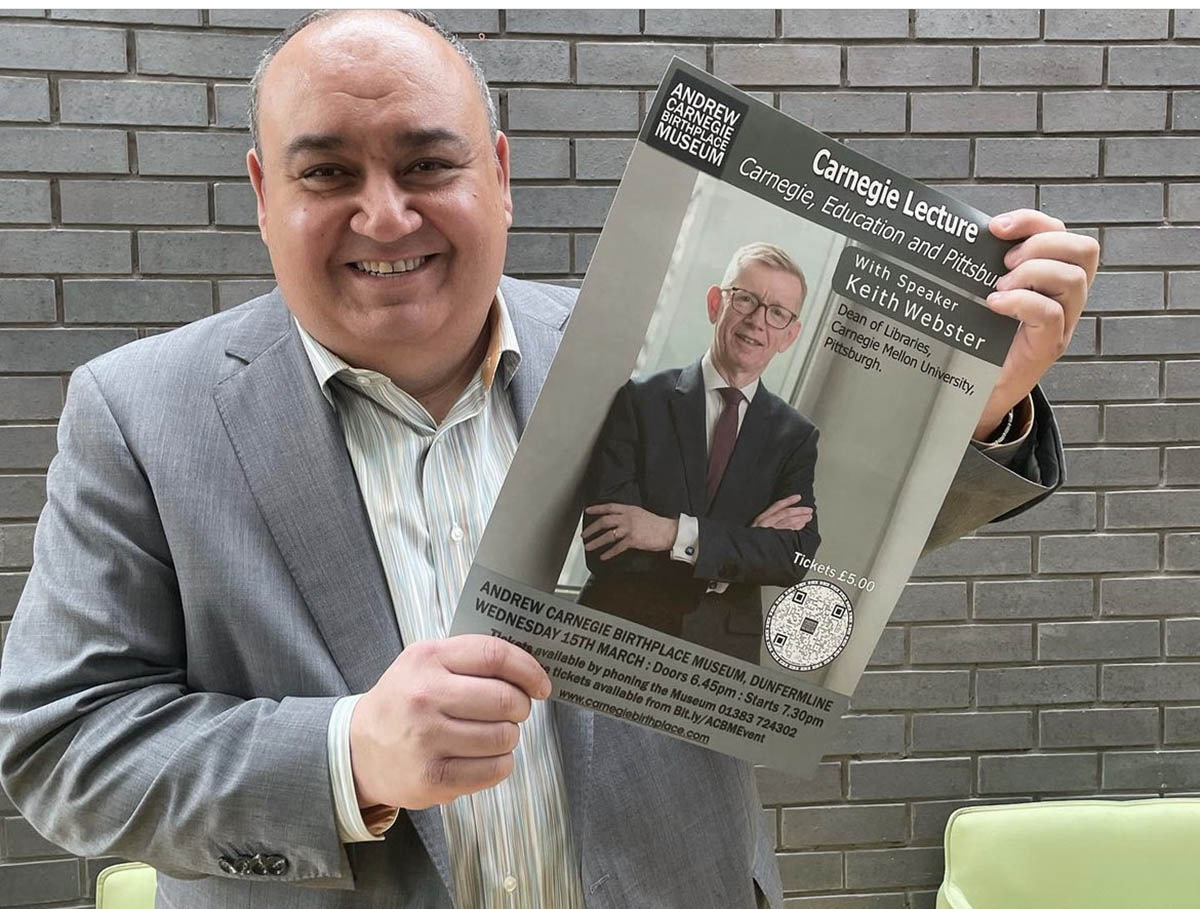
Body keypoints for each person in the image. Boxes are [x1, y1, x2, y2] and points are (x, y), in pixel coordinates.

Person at [0, 9, 1097, 909]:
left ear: (501, 174)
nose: (386, 215)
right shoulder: (139, 416)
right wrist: (347, 756)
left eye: (429, 162)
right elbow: (62, 748)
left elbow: (818, 540)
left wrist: (962, 408)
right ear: (262, 193)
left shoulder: (640, 359)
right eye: (328, 172)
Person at [578, 243, 820, 664]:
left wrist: (670, 533)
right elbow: (607, 544)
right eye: (745, 300)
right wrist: (742, 548)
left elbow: (791, 558)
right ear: (715, 303)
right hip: (617, 643)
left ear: (789, 336)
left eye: (777, 313)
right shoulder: (640, 401)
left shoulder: (796, 437)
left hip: (721, 659)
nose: (757, 323)